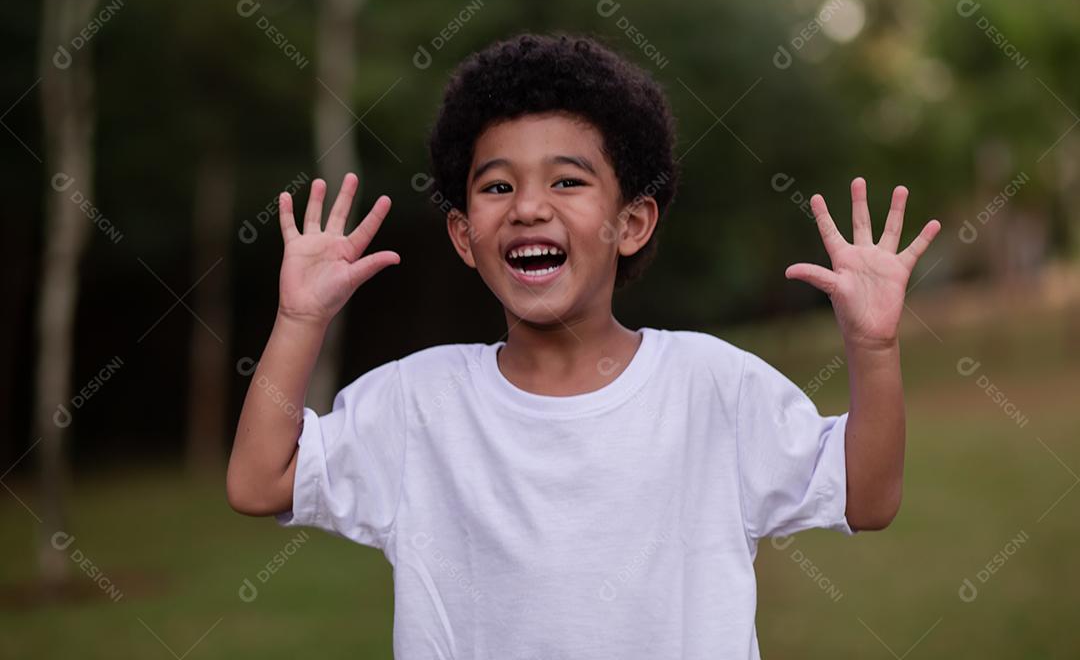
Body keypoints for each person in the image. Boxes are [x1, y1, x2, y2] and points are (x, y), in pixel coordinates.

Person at [225, 32, 941, 659]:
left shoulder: (710, 386)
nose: (529, 205)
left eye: (568, 180)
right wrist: (298, 318)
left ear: (631, 223)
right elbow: (260, 481)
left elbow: (867, 496)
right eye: (497, 186)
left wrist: (873, 350)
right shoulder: (419, 402)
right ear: (464, 235)